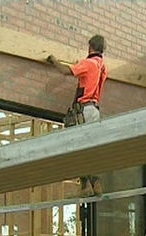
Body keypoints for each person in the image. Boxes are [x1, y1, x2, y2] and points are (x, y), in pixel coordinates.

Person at [47, 34, 108, 197]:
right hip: (94, 110)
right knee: (90, 147)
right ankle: (95, 183)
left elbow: (67, 71)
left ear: (91, 47)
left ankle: (86, 185)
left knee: (76, 146)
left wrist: (53, 60)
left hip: (84, 110)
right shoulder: (102, 66)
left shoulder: (88, 63)